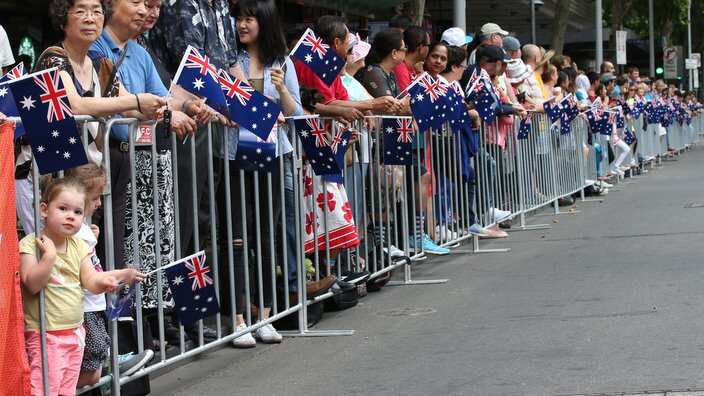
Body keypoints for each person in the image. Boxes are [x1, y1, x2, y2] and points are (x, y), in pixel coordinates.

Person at [14, 0, 166, 237]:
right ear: (64, 19)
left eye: (96, 11)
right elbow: (75, 105)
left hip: (79, 181)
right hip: (43, 178)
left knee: (77, 257)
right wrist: (138, 101)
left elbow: (129, 108)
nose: (90, 18)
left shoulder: (100, 64)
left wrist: (156, 109)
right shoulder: (53, 57)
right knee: (52, 257)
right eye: (81, 11)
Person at [20, 177, 144, 396]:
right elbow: (32, 284)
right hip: (46, 336)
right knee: (43, 390)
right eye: (63, 208)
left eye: (78, 212)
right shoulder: (31, 243)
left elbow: (91, 281)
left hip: (75, 333)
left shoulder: (78, 245)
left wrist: (121, 275)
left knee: (66, 391)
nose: (71, 216)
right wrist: (49, 258)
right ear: (44, 209)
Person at [225, 0, 303, 348]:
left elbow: (296, 112)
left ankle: (266, 316)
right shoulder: (230, 61)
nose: (242, 25)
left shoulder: (281, 63)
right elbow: (219, 104)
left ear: (265, 22)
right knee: (238, 235)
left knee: (266, 235)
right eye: (239, 18)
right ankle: (240, 319)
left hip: (274, 154)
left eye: (249, 18)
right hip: (233, 154)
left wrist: (283, 89)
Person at [61, 164, 154, 388]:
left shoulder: (83, 229)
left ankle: (110, 364)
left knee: (97, 349)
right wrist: (118, 277)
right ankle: (106, 369)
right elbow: (88, 277)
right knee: (91, 360)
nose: (99, 203)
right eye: (95, 199)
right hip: (85, 305)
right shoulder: (74, 233)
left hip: (93, 302)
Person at [393, 25, 429, 92]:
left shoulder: (413, 68)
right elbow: (407, 99)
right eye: (428, 45)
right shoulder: (400, 68)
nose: (429, 49)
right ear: (421, 48)